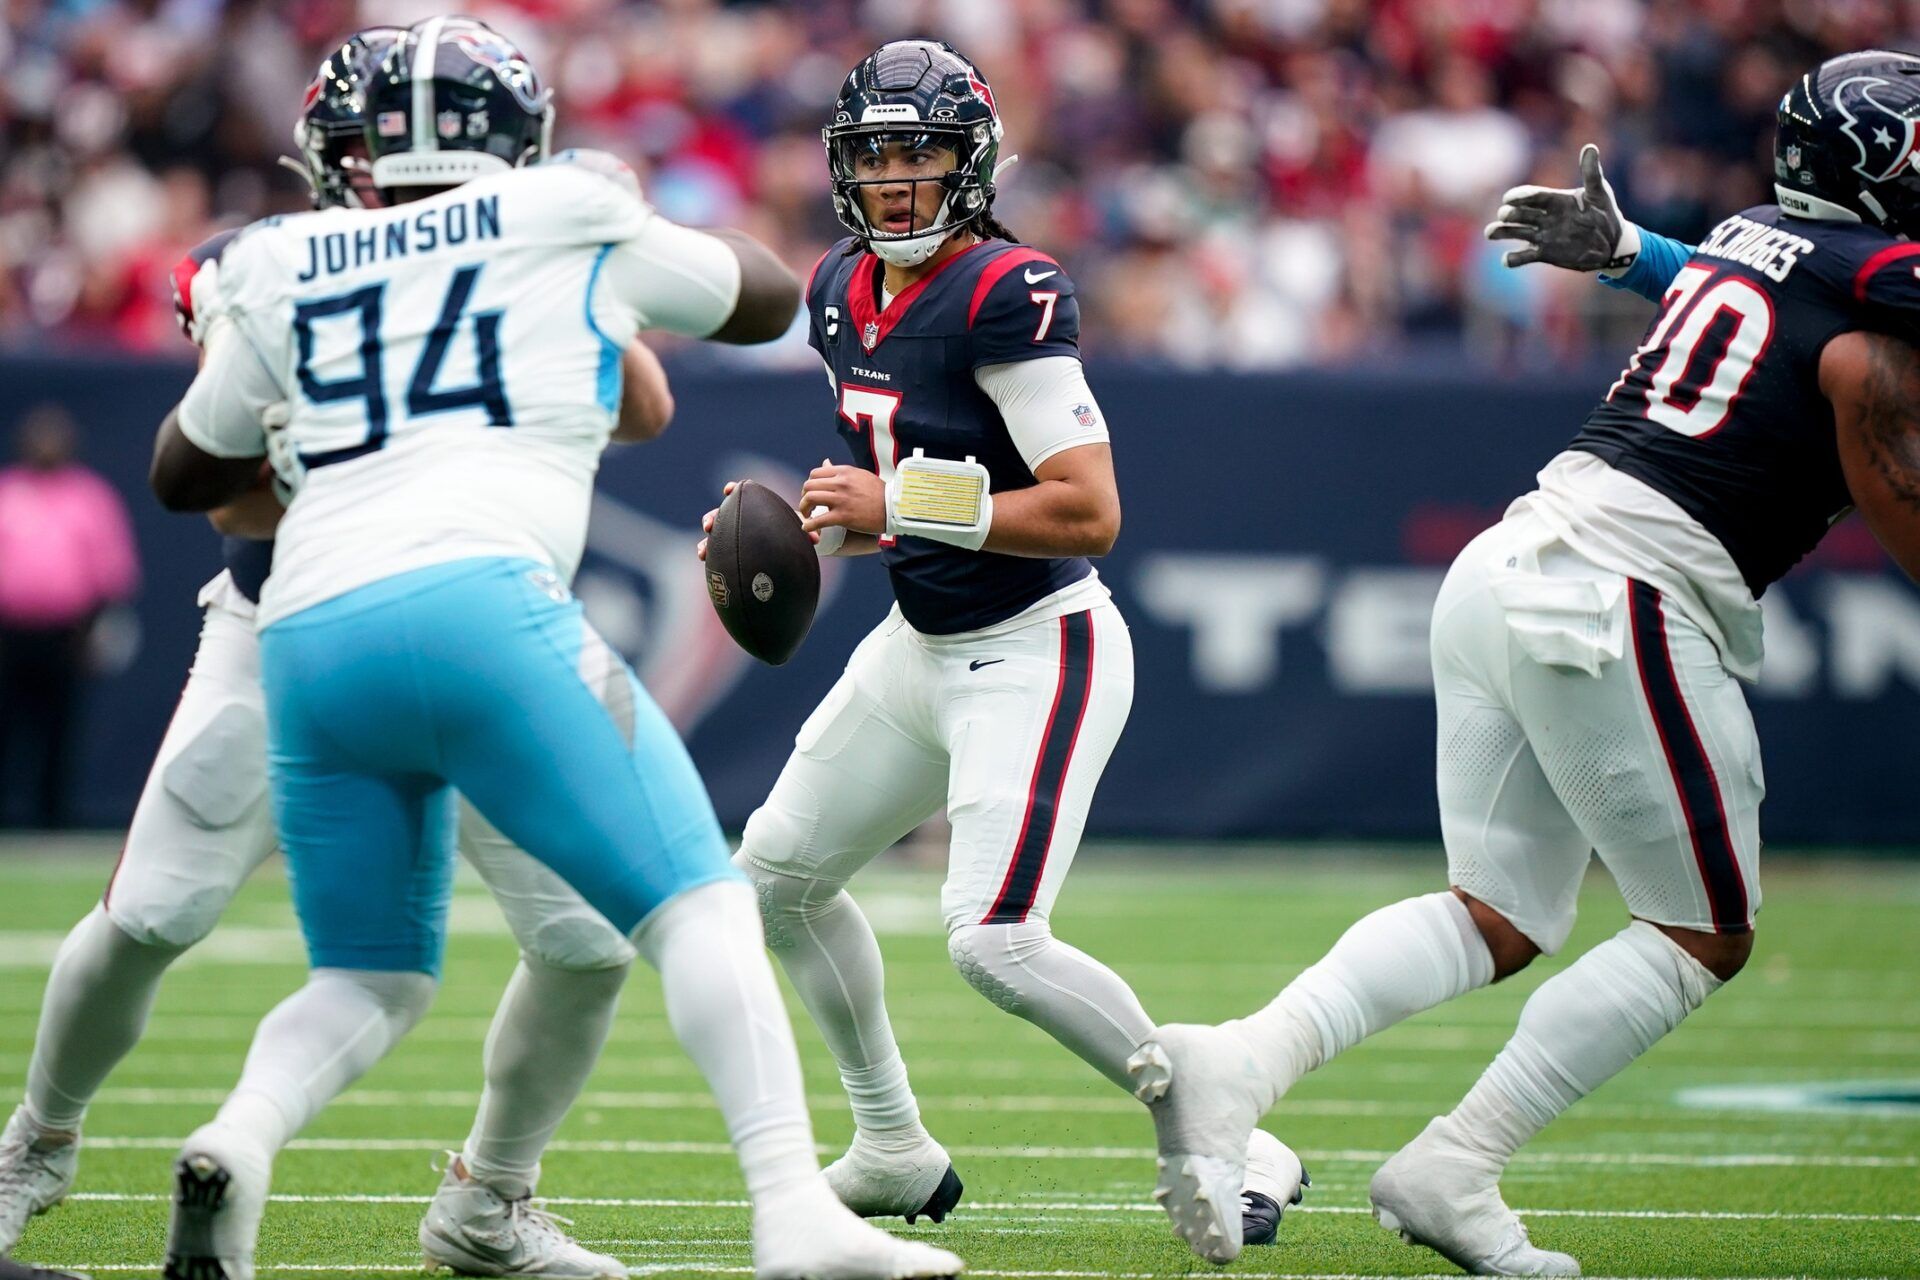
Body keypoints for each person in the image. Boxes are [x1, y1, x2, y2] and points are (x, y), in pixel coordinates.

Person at [144, 18, 961, 1280]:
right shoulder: (558, 210)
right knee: (700, 901)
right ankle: (793, 1209)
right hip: (478, 606)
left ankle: (242, 1139)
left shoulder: (289, 253)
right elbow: (751, 298)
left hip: (304, 634)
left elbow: (183, 472)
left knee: (372, 975)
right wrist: (606, 239)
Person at [1131, 49, 1920, 1273]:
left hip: (1515, 558)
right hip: (1622, 591)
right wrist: (1635, 256)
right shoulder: (1864, 285)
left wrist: (1630, 256)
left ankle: (1240, 1058)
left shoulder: (1758, 233)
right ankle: (1460, 1157)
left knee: (1497, 909)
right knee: (1705, 927)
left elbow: (1745, 277)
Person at [0, 31, 672, 1278]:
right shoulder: (265, 271)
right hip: (291, 633)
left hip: (489, 636)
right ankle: (29, 1151)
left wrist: (578, 271)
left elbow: (641, 406)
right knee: (150, 912)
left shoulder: (523, 263)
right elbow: (222, 500)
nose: (408, 178)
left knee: (583, 942)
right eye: (379, 152)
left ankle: (490, 1200)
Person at [694, 38, 1306, 1235]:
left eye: (921, 153)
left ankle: (1240, 1128)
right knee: (774, 881)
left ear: (971, 165)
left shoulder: (1007, 288)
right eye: (875, 157)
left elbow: (1089, 509)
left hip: (1039, 645)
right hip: (920, 643)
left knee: (994, 938)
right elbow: (903, 491)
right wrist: (820, 524)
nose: (897, 182)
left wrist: (896, 503)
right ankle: (888, 1141)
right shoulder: (838, 287)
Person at [0, 406, 139, 829]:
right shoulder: (7, 493)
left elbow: (113, 568)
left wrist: (104, 625)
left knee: (61, 729)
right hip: (9, 631)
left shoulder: (89, 497)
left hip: (67, 631)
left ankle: (53, 819)